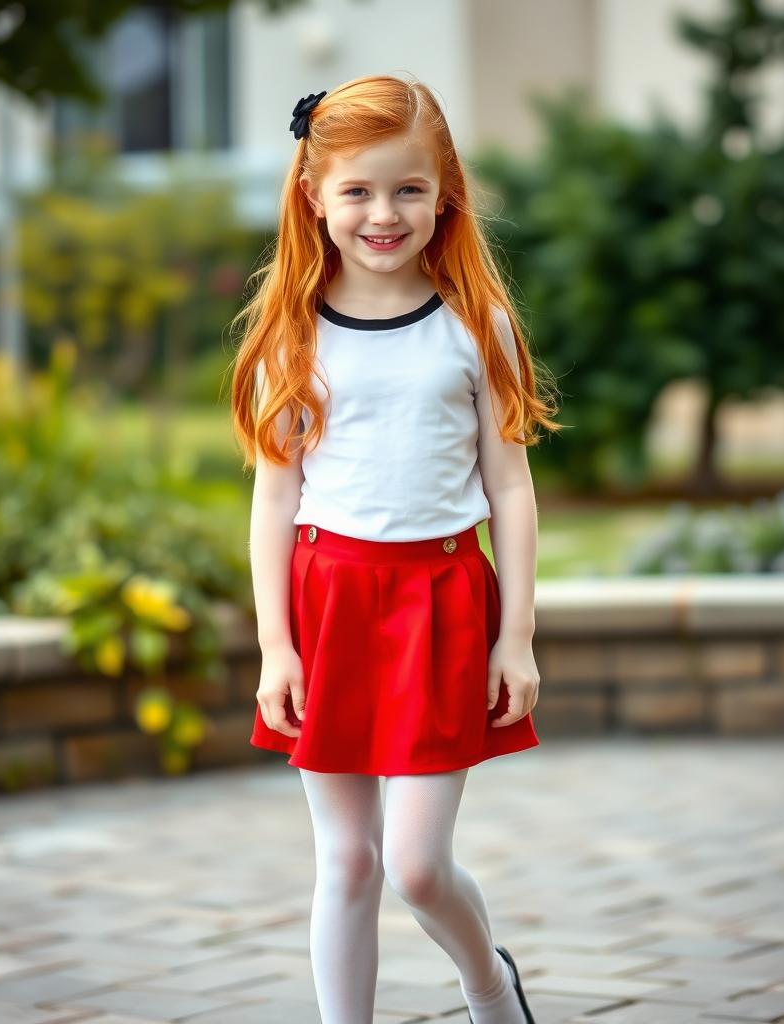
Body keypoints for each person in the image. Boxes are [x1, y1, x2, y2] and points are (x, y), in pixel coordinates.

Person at [229, 74, 562, 1024]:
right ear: (313, 195)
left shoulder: (475, 325)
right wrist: (275, 646)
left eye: (408, 189)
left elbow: (511, 487)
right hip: (326, 601)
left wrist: (518, 636)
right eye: (359, 191)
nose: (384, 214)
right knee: (346, 859)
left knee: (415, 866)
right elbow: (274, 499)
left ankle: (489, 984)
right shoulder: (291, 336)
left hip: (440, 602)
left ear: (444, 191)